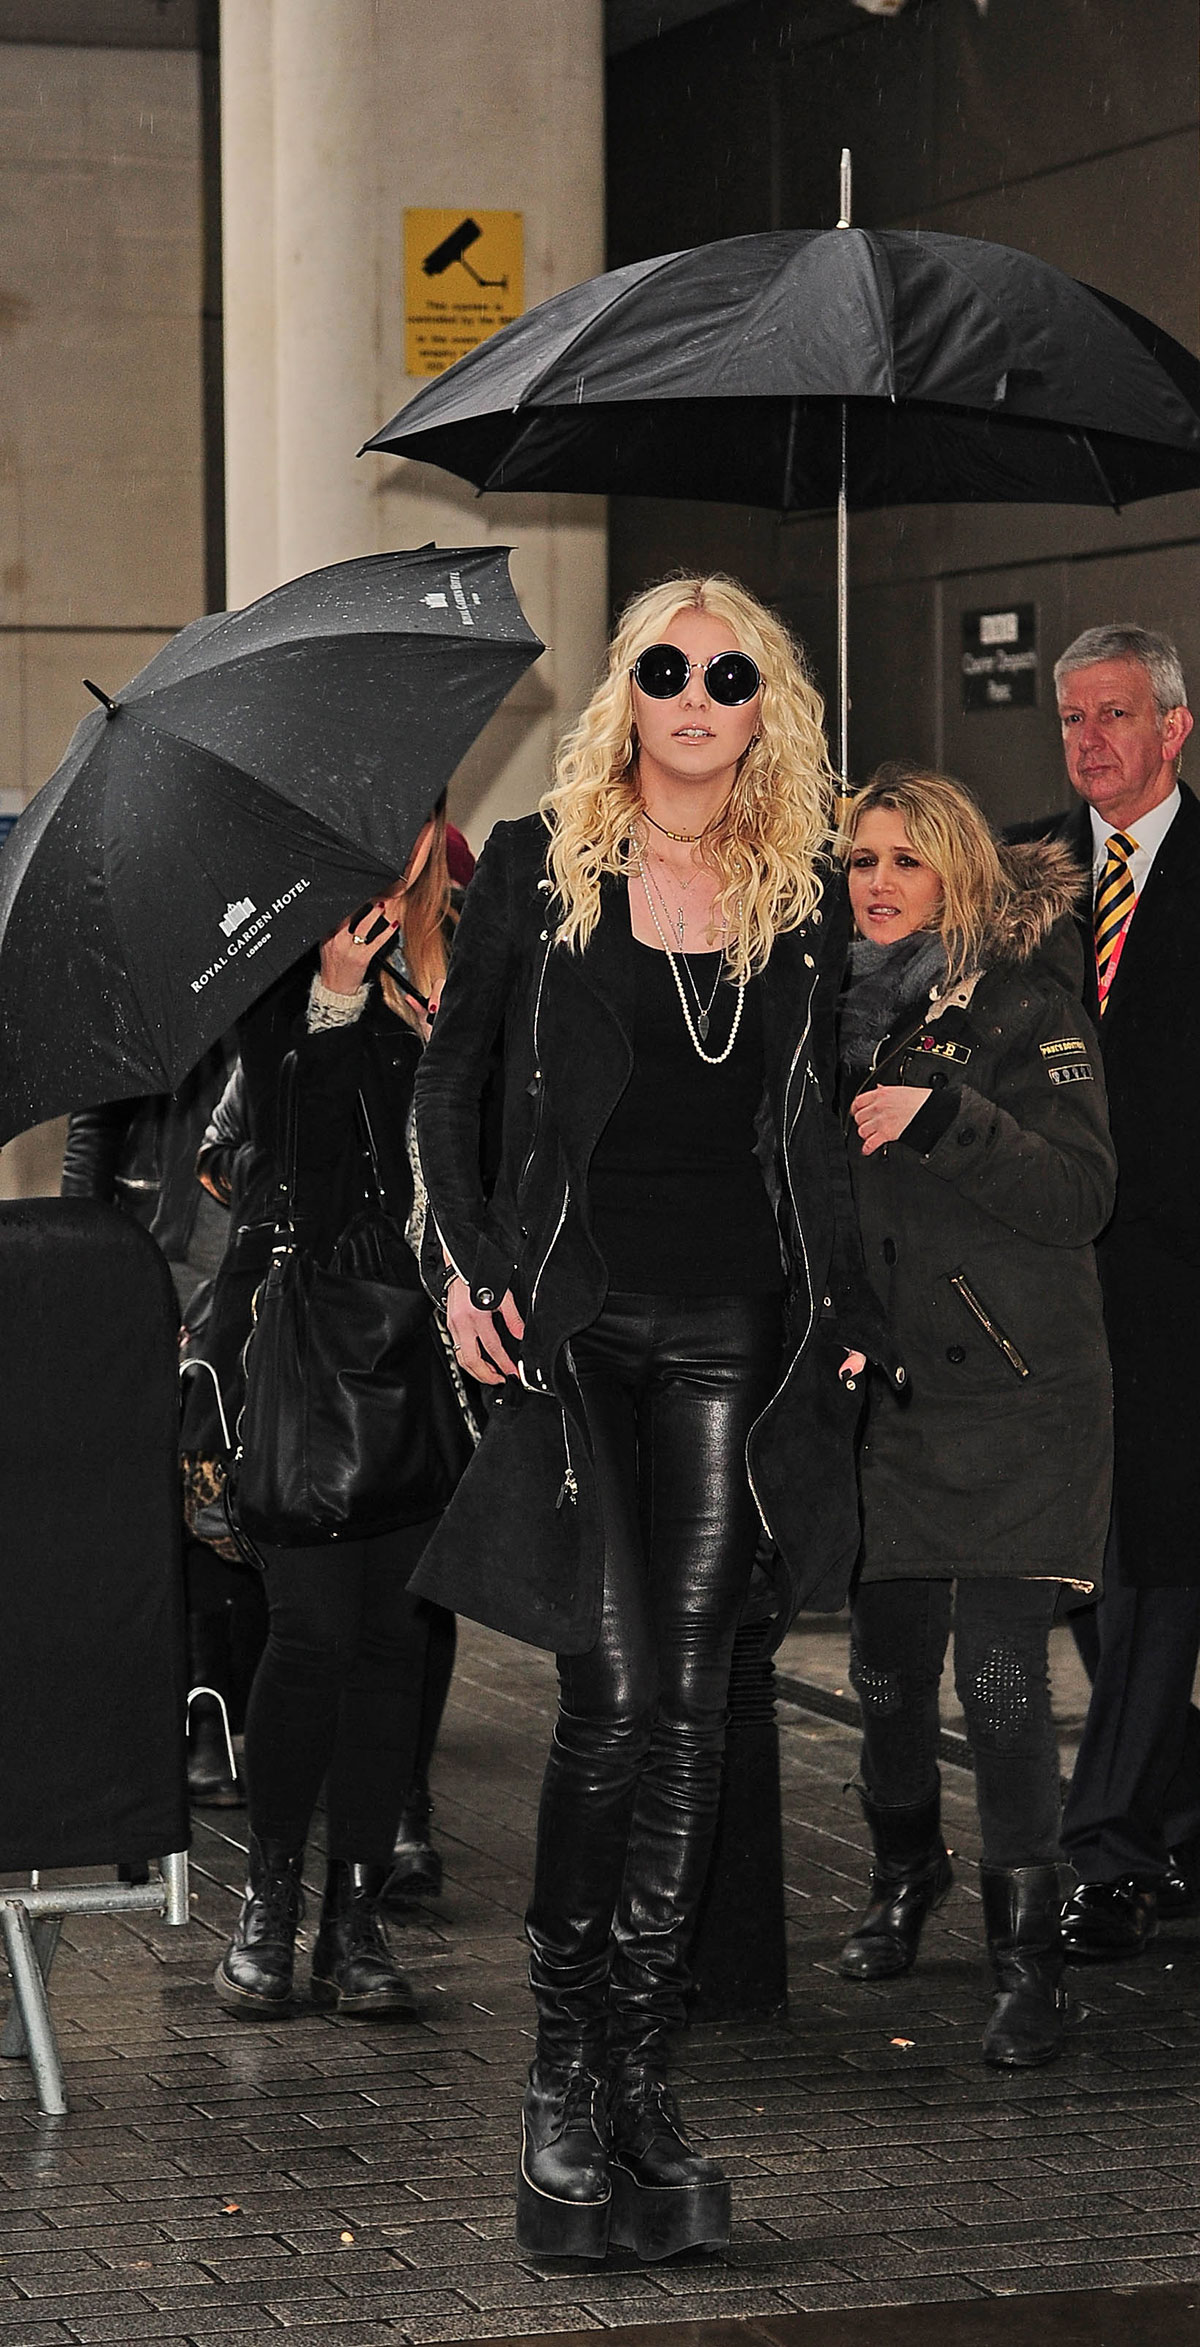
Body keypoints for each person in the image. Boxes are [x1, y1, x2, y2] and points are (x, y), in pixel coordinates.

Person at [412, 574, 896, 2263]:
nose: (697, 695)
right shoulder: (545, 871)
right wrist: (463, 1262)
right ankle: (558, 2072)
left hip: (736, 1333)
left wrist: (845, 1310)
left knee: (694, 1705)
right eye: (668, 667)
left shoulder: (800, 890)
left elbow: (816, 1119)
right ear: (629, 692)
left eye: (730, 673)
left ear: (769, 708)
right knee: (611, 1695)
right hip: (578, 1328)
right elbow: (447, 1081)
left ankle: (635, 2073)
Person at [836, 767, 1115, 2066]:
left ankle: (1031, 1963)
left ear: (957, 873)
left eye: (906, 859)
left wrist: (949, 1113)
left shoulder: (1026, 998)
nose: (879, 881)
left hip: (1020, 1389)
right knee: (885, 1667)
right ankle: (907, 1870)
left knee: (1000, 1679)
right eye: (861, 860)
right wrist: (841, 1316)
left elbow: (1080, 1191)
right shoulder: (838, 1013)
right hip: (896, 1389)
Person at [209, 803, 468, 2022]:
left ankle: (354, 1918)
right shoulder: (280, 963)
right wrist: (333, 1002)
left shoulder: (463, 953)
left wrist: (436, 1025)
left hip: (433, 1356)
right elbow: (289, 1169)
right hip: (313, 1352)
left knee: (393, 1648)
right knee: (310, 1636)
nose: (399, 847)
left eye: (417, 819)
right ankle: (268, 1905)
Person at [1014, 625, 1200, 1961]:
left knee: (1151, 1561)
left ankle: (1107, 1848)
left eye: (1116, 713)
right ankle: (1172, 1804)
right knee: (1074, 1563)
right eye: (1072, 716)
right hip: (1042, 1290)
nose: (1090, 739)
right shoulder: (1025, 873)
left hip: (1181, 1288)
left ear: (1175, 727)